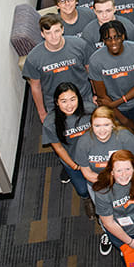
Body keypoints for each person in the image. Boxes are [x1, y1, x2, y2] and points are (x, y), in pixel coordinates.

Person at [74, 106, 134, 255]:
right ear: (91, 125)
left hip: (126, 182)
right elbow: (87, 172)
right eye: (97, 125)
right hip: (98, 186)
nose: (101, 130)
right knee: (105, 215)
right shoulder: (84, 142)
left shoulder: (125, 138)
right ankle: (109, 234)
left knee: (127, 209)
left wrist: (121, 180)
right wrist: (110, 182)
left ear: (113, 124)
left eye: (106, 125)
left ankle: (131, 233)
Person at [89, 20, 134, 147]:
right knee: (121, 142)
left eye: (116, 37)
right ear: (103, 41)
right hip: (115, 110)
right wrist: (123, 119)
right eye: (108, 39)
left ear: (123, 36)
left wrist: (116, 102)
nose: (113, 42)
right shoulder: (95, 60)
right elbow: (102, 96)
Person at [23, 14, 92, 123]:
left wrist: (96, 95)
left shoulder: (80, 45)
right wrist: (42, 113)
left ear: (62, 30)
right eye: (48, 33)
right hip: (55, 104)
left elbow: (91, 71)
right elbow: (35, 87)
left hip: (84, 97)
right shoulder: (33, 58)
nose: (53, 36)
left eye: (56, 31)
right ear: (42, 34)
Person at [42, 83, 96, 216]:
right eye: (64, 101)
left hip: (94, 155)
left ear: (79, 98)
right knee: (82, 189)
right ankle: (87, 200)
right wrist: (74, 165)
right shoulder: (50, 122)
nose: (69, 105)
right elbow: (59, 148)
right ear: (56, 102)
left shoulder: (90, 110)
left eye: (73, 99)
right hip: (73, 160)